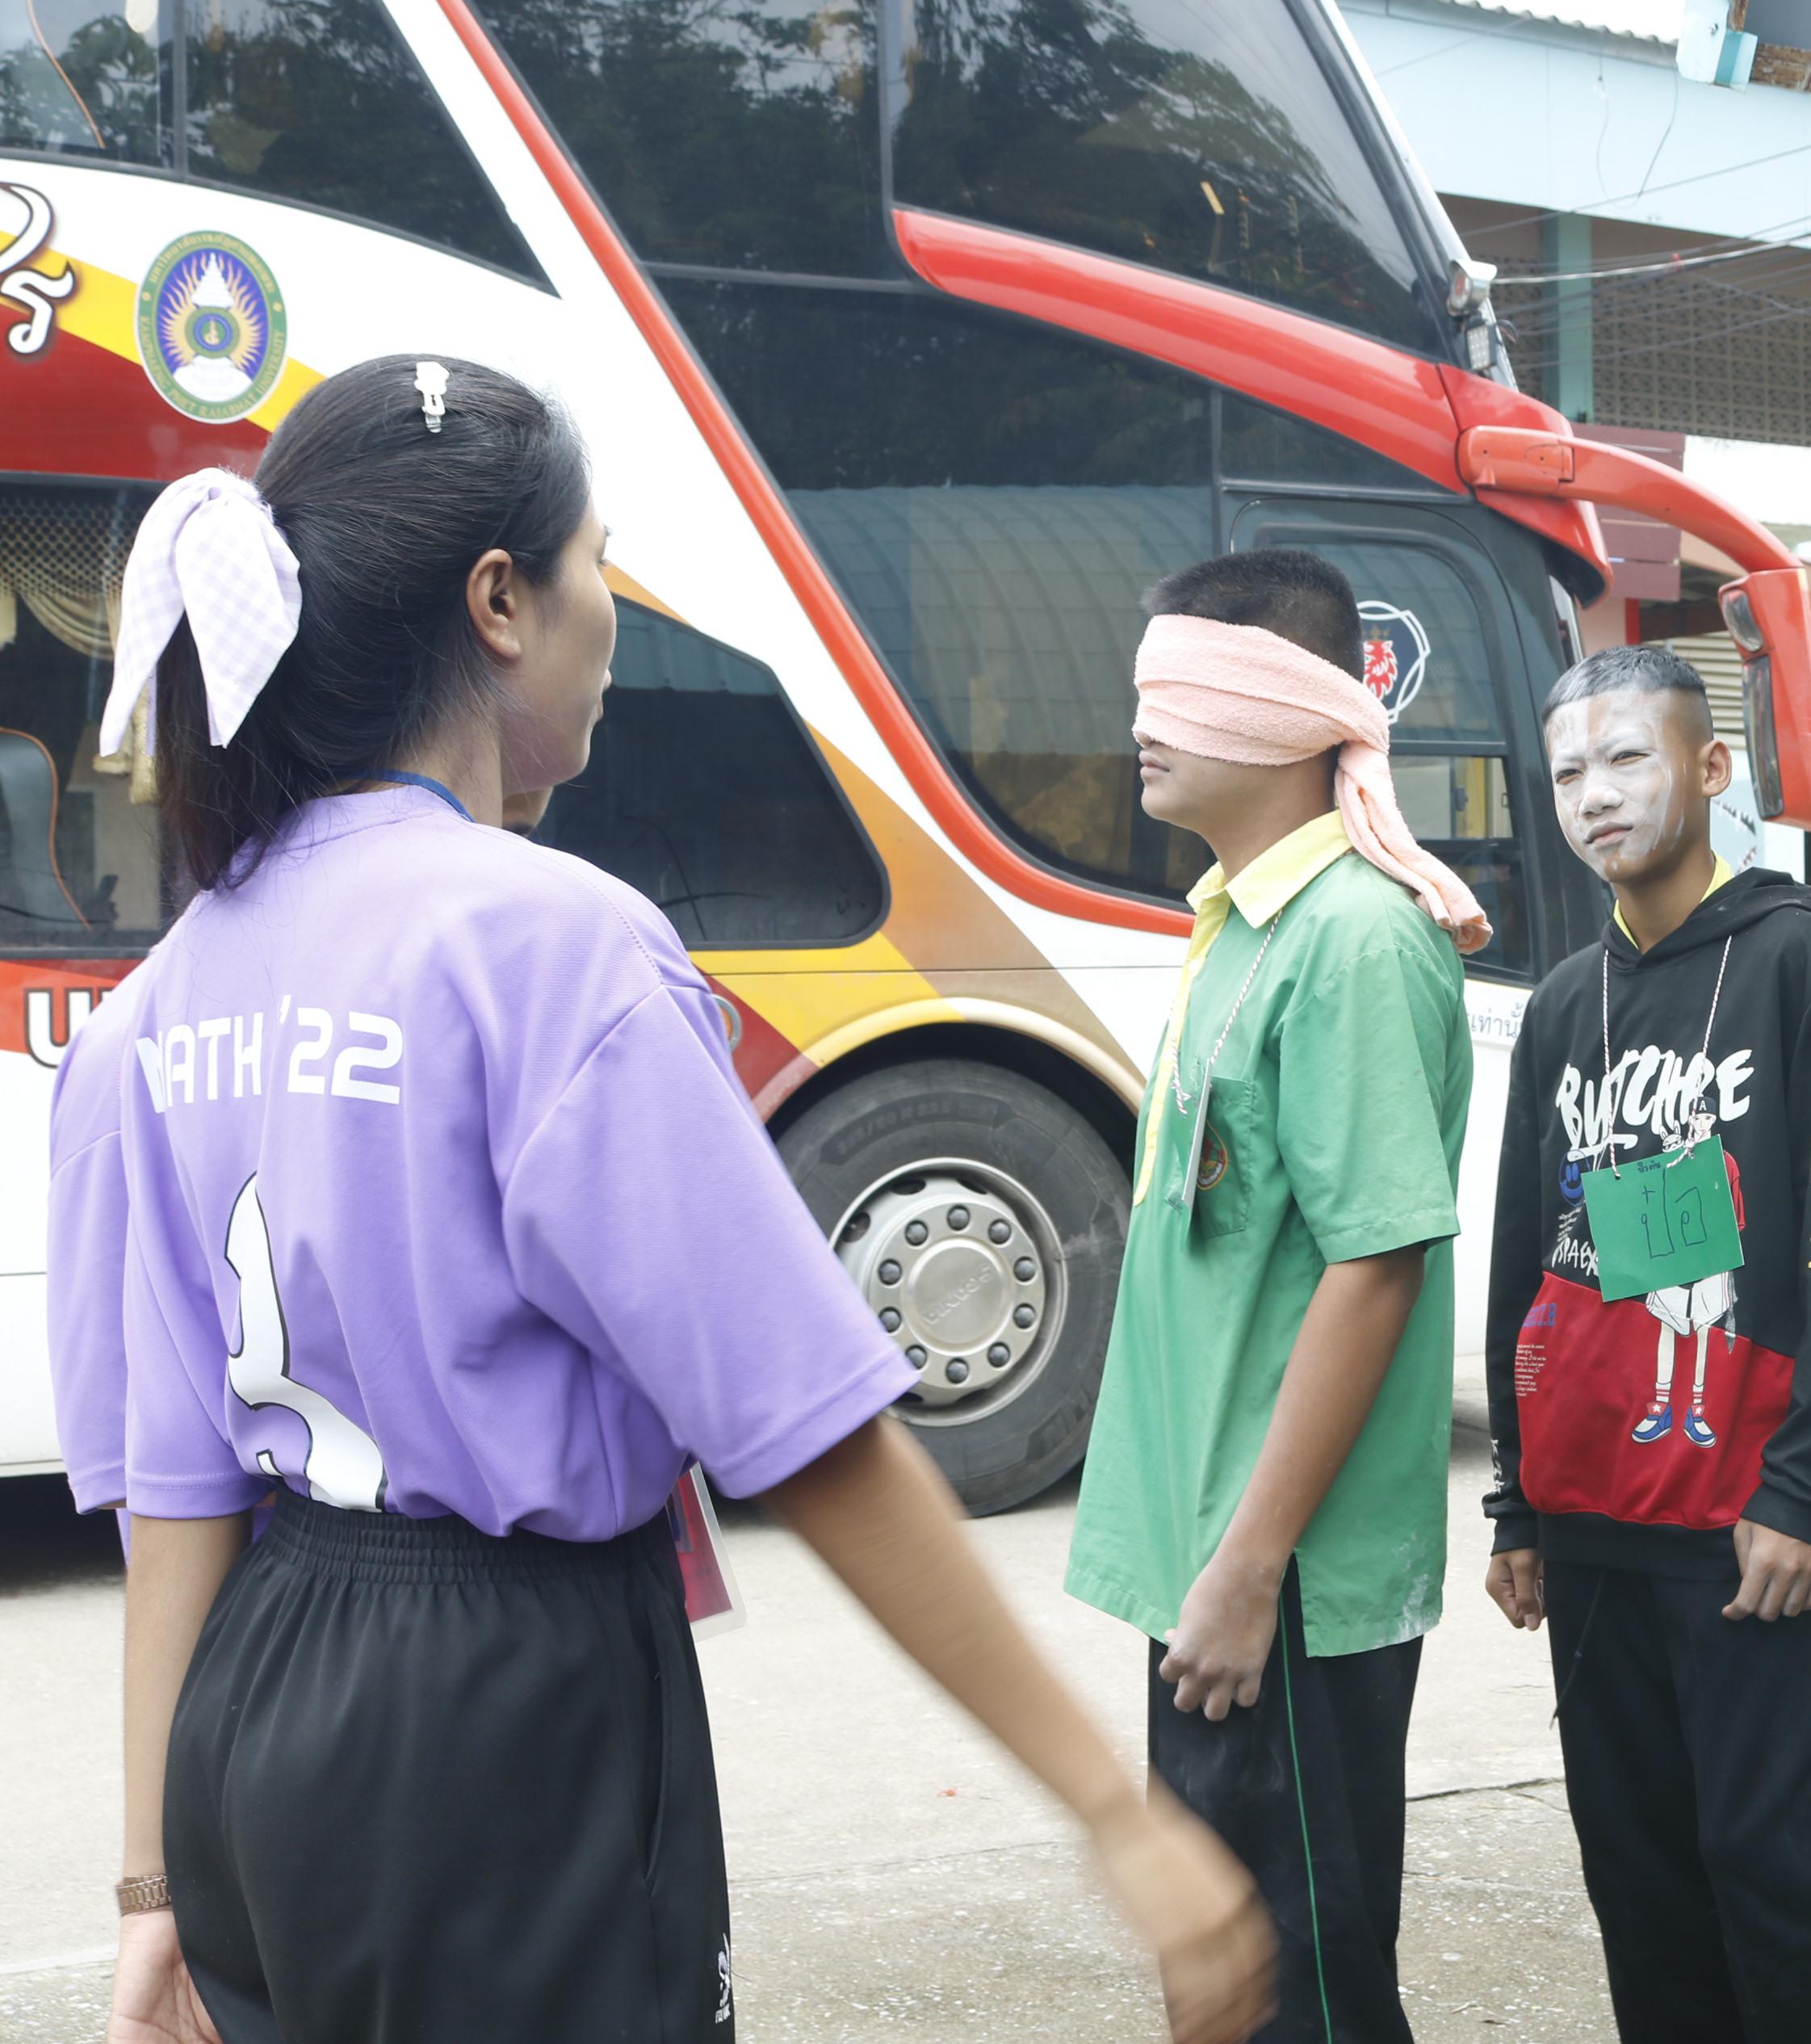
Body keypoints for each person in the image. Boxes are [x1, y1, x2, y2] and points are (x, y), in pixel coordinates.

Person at [74, 357, 1271, 2044]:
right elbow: (811, 1435)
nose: (611, 624)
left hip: (260, 1723)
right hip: (507, 1716)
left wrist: (154, 1890)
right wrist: (1115, 1809)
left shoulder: (159, 1004)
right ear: (501, 603)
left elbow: (176, 1496)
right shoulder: (555, 946)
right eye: (597, 570)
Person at [1065, 549, 1483, 2044]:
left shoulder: (1354, 939)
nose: (1141, 721)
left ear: (1293, 712)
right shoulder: (1240, 920)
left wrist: (1249, 1569)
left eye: (1180, 687)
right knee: (1226, 1972)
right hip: (1212, 1551)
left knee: (1295, 1982)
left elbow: (1377, 1264)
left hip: (1279, 1576)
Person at [1481, 644, 1811, 2044]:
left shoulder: (1797, 958)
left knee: (1768, 1861)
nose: (1595, 794)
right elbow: (1523, 1262)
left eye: (1625, 757)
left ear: (1711, 768)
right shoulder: (1559, 1005)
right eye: (1566, 771)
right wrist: (1517, 1500)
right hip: (1590, 1520)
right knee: (1638, 1869)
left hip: (1739, 1521)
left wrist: (1809, 1484)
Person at [48, 789, 555, 1534]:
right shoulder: (137, 1038)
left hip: (298, 1589)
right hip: (314, 1580)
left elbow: (120, 1438)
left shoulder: (132, 1027)